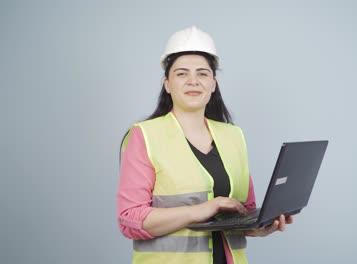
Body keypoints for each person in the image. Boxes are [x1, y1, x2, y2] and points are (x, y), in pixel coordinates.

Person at [117, 25, 293, 264]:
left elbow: (243, 213)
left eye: (202, 73)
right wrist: (199, 210)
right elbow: (130, 219)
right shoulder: (144, 135)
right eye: (181, 74)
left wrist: (259, 227)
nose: (193, 81)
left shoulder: (234, 136)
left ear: (213, 83)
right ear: (167, 84)